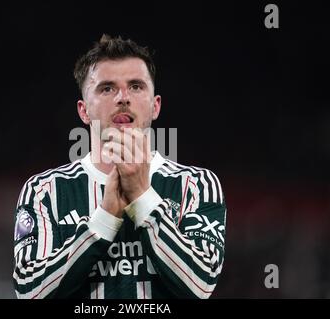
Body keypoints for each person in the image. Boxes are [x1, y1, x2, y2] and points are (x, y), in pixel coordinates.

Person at [13, 34, 227, 299]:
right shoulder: (44, 191)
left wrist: (142, 197)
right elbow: (30, 292)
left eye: (136, 86)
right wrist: (103, 220)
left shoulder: (195, 185)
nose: (123, 97)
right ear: (83, 110)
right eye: (107, 88)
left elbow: (200, 284)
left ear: (155, 105)